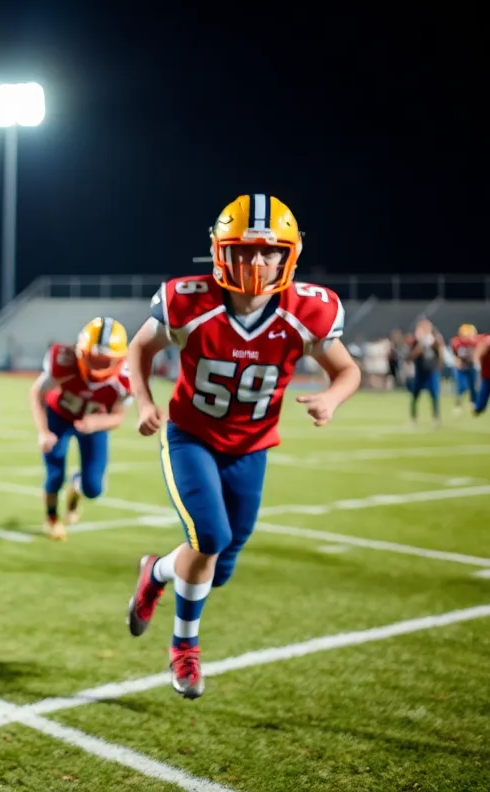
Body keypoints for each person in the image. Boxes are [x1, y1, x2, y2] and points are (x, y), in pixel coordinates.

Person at [123, 193, 360, 700]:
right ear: (219, 252)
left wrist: (333, 399)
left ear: (288, 255)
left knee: (216, 566)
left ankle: (156, 571)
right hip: (192, 437)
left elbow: (348, 369)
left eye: (268, 252)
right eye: (243, 250)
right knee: (208, 536)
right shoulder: (187, 301)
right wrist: (143, 401)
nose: (256, 262)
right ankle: (185, 647)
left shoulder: (306, 312)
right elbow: (139, 347)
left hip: (252, 448)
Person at [28, 317, 131, 541]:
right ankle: (52, 518)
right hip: (59, 417)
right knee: (54, 475)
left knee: (93, 488)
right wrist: (44, 431)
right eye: (93, 358)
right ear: (80, 351)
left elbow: (118, 417)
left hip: (93, 424)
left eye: (105, 360)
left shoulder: (125, 378)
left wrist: (96, 423)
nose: (97, 366)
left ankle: (77, 484)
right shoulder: (64, 362)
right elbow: (37, 393)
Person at [407, 317, 444, 427]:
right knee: (415, 395)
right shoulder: (415, 341)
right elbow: (411, 356)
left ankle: (436, 418)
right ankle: (413, 418)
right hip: (420, 371)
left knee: (434, 394)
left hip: (432, 370)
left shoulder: (435, 340)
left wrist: (439, 366)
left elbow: (440, 353)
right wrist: (421, 344)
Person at [449, 324, 479, 414]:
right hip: (461, 367)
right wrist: (457, 362)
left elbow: (476, 355)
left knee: (473, 386)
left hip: (471, 366)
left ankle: (473, 404)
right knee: (461, 386)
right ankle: (458, 404)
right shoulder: (456, 342)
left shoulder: (475, 343)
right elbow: (455, 355)